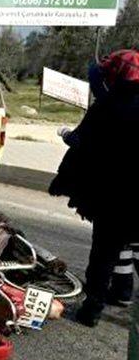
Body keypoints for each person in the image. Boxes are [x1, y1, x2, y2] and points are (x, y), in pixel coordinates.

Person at [50, 50, 139, 328]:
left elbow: (80, 141)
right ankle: (123, 292)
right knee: (132, 244)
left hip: (113, 196)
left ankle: (92, 310)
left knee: (104, 253)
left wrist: (66, 134)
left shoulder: (107, 106)